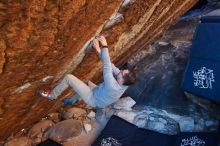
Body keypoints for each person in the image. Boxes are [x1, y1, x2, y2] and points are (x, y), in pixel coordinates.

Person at [38, 36, 136, 108]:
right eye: (123, 70)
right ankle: (72, 101)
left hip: (93, 99)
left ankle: (52, 95)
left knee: (69, 78)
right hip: (100, 96)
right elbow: (110, 65)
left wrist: (105, 45)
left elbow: (106, 64)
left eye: (122, 72)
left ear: (122, 80)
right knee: (85, 83)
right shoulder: (125, 83)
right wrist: (97, 48)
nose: (121, 70)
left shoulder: (112, 85)